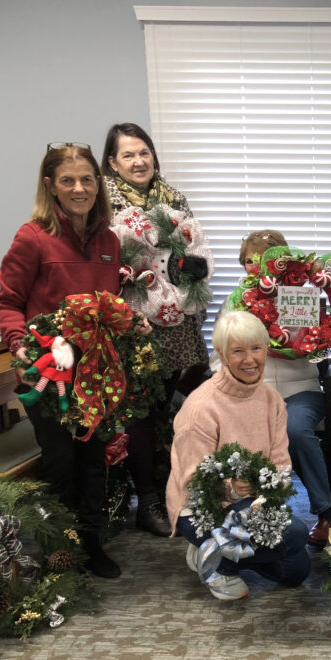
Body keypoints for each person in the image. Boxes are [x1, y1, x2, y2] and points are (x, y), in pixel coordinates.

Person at [0, 142, 126, 578]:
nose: (79, 187)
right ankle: (56, 549)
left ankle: (90, 544)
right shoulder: (32, 237)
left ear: (98, 184)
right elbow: (7, 301)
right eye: (68, 180)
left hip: (96, 375)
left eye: (87, 179)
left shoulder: (109, 240)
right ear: (50, 186)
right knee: (60, 462)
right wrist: (19, 346)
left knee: (93, 462)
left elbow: (109, 305)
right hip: (49, 377)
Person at [101, 122, 210, 538]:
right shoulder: (104, 206)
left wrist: (189, 270)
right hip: (133, 322)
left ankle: (173, 489)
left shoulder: (174, 198)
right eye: (127, 155)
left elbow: (192, 246)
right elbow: (105, 263)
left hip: (177, 322)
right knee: (139, 412)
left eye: (143, 152)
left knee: (169, 405)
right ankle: (146, 500)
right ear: (112, 162)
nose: (138, 161)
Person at [166, 311, 311, 601]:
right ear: (221, 353)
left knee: (297, 570)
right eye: (238, 351)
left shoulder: (271, 401)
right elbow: (193, 482)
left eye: (256, 348)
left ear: (266, 349)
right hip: (202, 511)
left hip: (252, 505)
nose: (250, 360)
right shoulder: (201, 408)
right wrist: (231, 488)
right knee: (295, 533)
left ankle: (216, 555)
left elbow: (281, 465)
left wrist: (263, 498)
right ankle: (216, 556)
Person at [221, 230, 331, 548]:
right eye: (247, 261)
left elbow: (316, 348)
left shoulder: (302, 297)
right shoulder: (235, 303)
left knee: (295, 430)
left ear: (282, 264)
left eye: (262, 261)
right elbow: (220, 353)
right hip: (251, 393)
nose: (253, 269)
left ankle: (326, 514)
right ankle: (250, 515)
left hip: (300, 388)